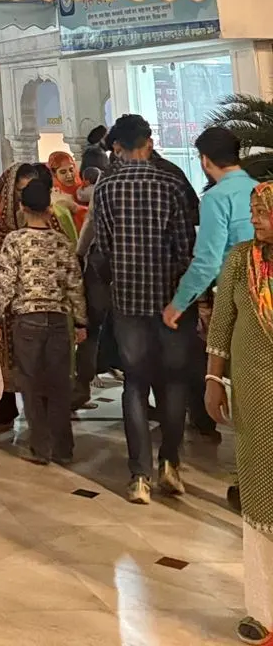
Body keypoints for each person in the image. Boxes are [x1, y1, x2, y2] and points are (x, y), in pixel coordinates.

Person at [93, 112, 198, 504]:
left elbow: (102, 248)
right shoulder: (171, 183)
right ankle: (170, 463)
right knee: (173, 382)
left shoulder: (106, 188)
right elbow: (185, 247)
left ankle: (140, 476)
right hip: (171, 301)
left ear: (118, 147)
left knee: (135, 383)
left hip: (127, 302)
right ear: (149, 142)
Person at [206, 182, 273, 646]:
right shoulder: (238, 261)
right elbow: (221, 323)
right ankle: (264, 613)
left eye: (264, 211)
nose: (256, 219)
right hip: (254, 392)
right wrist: (214, 378)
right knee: (261, 491)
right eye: (253, 211)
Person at [0, 167, 87, 465]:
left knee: (31, 385)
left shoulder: (15, 241)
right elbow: (74, 283)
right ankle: (64, 448)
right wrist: (81, 322)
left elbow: (5, 282)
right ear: (49, 208)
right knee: (59, 384)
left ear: (21, 207)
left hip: (26, 320)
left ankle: (41, 448)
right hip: (58, 321)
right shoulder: (62, 242)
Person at [0, 161, 50, 436]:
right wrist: (6, 256)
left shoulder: (42, 211)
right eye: (20, 189)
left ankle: (40, 415)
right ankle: (2, 413)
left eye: (29, 190)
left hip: (32, 293)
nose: (23, 196)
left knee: (34, 353)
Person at [164, 125, 256, 327]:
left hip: (236, 299)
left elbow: (208, 261)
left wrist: (178, 304)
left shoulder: (216, 198)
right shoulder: (260, 188)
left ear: (204, 160)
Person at [46, 150, 89, 233]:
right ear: (54, 174)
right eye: (63, 172)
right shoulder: (54, 195)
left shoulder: (85, 186)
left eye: (71, 170)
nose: (69, 175)